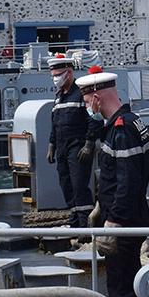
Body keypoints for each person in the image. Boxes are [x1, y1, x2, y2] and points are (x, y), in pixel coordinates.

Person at [76, 65, 149, 297]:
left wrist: (113, 224)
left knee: (123, 292)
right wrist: (99, 205)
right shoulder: (127, 123)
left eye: (87, 103)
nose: (87, 109)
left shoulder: (121, 130)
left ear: (96, 99)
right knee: (128, 289)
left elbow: (128, 183)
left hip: (123, 225)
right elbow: (116, 180)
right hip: (124, 219)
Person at [46, 54, 98, 228]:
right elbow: (55, 122)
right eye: (53, 75)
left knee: (79, 185)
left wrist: (89, 144)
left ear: (68, 73)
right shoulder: (59, 96)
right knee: (66, 184)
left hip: (78, 147)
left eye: (58, 75)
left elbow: (93, 119)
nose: (55, 79)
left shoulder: (81, 94)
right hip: (62, 147)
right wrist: (51, 145)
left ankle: (85, 223)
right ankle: (75, 219)